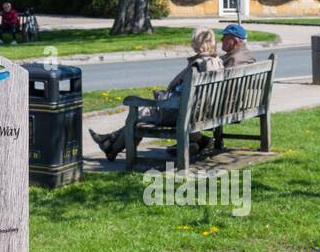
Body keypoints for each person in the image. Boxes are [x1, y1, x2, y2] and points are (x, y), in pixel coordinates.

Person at [89, 27, 222, 163]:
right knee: (140, 116)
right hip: (203, 111)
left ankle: (111, 146)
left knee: (137, 113)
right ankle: (110, 145)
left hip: (183, 112)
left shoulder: (197, 66)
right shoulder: (217, 62)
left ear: (196, 43)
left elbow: (173, 85)